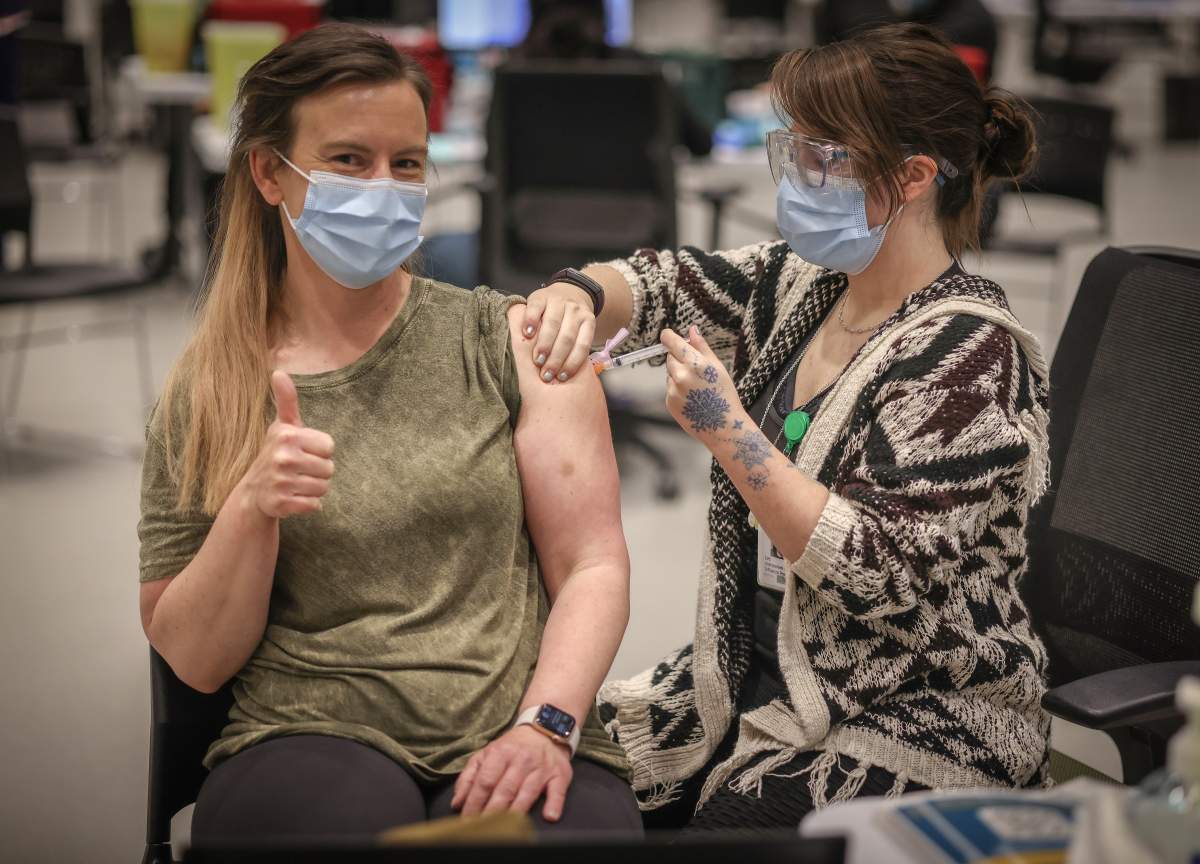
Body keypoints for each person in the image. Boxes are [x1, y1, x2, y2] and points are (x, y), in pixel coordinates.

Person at [524, 22, 1051, 831]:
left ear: (912, 176)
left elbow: (881, 576)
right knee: (559, 786)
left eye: (825, 157)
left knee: (725, 824)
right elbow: (665, 282)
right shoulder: (810, 282)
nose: (800, 175)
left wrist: (728, 430)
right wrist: (579, 294)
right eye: (795, 149)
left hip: (913, 711)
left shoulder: (969, 355)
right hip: (759, 670)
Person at [137, 24, 640, 844]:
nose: (384, 187)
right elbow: (193, 660)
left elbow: (592, 562)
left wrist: (546, 724)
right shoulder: (212, 388)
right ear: (270, 172)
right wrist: (252, 510)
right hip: (306, 731)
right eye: (348, 160)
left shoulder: (512, 340)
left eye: (406, 164)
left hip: (514, 721)